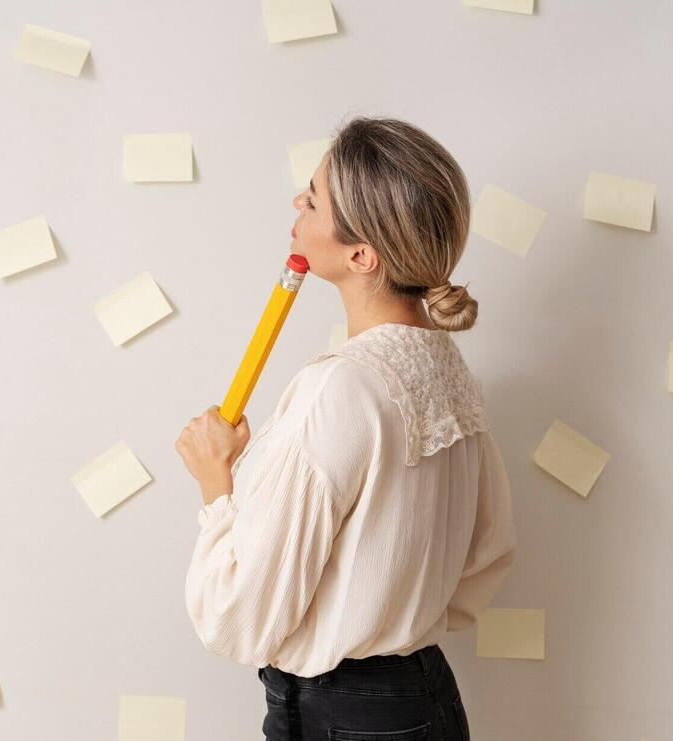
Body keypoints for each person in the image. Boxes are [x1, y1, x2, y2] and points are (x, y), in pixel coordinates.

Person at [175, 116, 516, 740]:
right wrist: (394, 613)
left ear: (362, 254)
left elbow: (239, 620)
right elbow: (484, 564)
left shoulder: (340, 388)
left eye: (314, 197)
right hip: (426, 698)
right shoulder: (451, 371)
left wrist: (214, 483)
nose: (296, 203)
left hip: (345, 718)